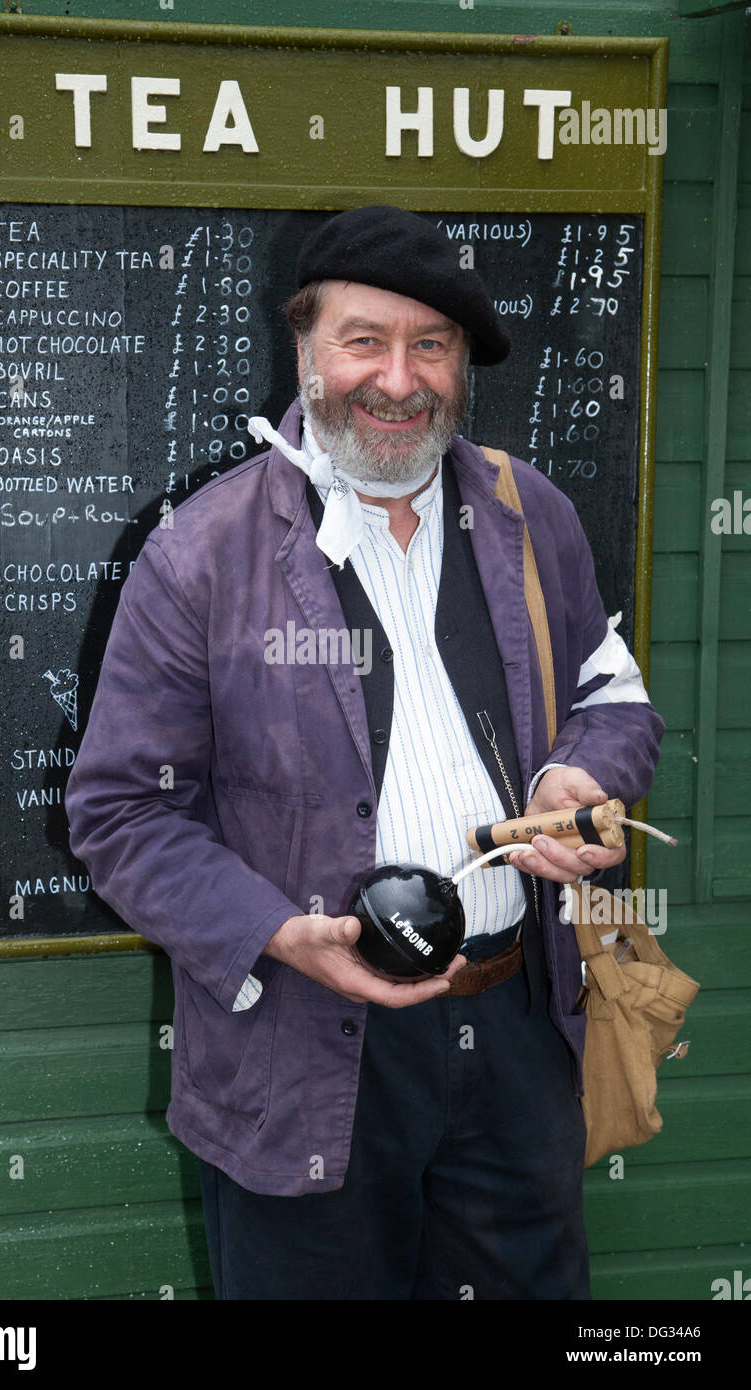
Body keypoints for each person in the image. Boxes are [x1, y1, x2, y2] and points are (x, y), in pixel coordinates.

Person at [65, 205, 665, 1300]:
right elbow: (119, 812)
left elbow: (610, 696)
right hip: (301, 1051)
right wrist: (277, 934)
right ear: (305, 347)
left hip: (517, 1024)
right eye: (362, 340)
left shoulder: (531, 515)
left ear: (457, 365)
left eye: (427, 344)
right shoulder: (200, 552)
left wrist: (581, 776)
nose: (396, 378)